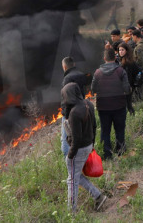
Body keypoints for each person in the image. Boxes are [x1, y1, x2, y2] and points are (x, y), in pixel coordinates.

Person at [61, 83, 108, 213]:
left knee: (72, 181)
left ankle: (72, 213)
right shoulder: (88, 104)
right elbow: (94, 126)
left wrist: (70, 155)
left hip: (78, 149)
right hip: (87, 146)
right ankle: (98, 196)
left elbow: (76, 139)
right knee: (75, 175)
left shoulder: (74, 113)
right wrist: (92, 144)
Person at [91, 48, 131, 160]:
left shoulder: (98, 72)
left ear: (104, 59)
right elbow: (127, 89)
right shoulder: (120, 71)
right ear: (115, 58)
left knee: (105, 130)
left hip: (103, 107)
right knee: (119, 129)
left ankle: (107, 154)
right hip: (119, 105)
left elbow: (93, 89)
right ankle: (121, 151)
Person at [60, 57, 90, 156]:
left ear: (64, 67)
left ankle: (69, 160)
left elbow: (67, 98)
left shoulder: (67, 78)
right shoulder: (81, 75)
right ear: (74, 64)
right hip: (82, 108)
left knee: (66, 140)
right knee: (81, 136)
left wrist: (65, 115)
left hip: (71, 112)